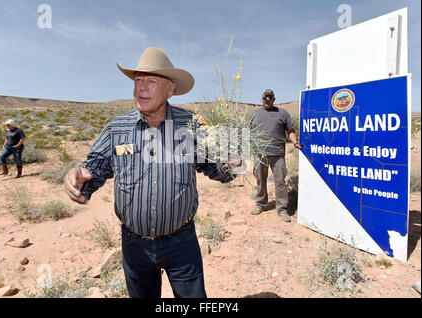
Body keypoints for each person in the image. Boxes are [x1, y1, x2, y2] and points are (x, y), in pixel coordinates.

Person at [64, 47, 240, 298]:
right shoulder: (117, 127)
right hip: (134, 245)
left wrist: (233, 164)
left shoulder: (191, 125)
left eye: (151, 82)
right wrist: (79, 177)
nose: (141, 88)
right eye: (138, 81)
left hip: (182, 243)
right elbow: (95, 168)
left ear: (170, 90)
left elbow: (216, 168)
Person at [249, 89, 300, 222]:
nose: (267, 100)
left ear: (274, 99)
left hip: (278, 154)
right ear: (262, 99)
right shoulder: (254, 114)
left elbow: (291, 130)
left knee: (280, 181)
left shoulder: (282, 113)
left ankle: (282, 209)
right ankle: (260, 204)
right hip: (260, 154)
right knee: (260, 180)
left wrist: (295, 143)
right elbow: (246, 131)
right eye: (265, 98)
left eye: (270, 98)